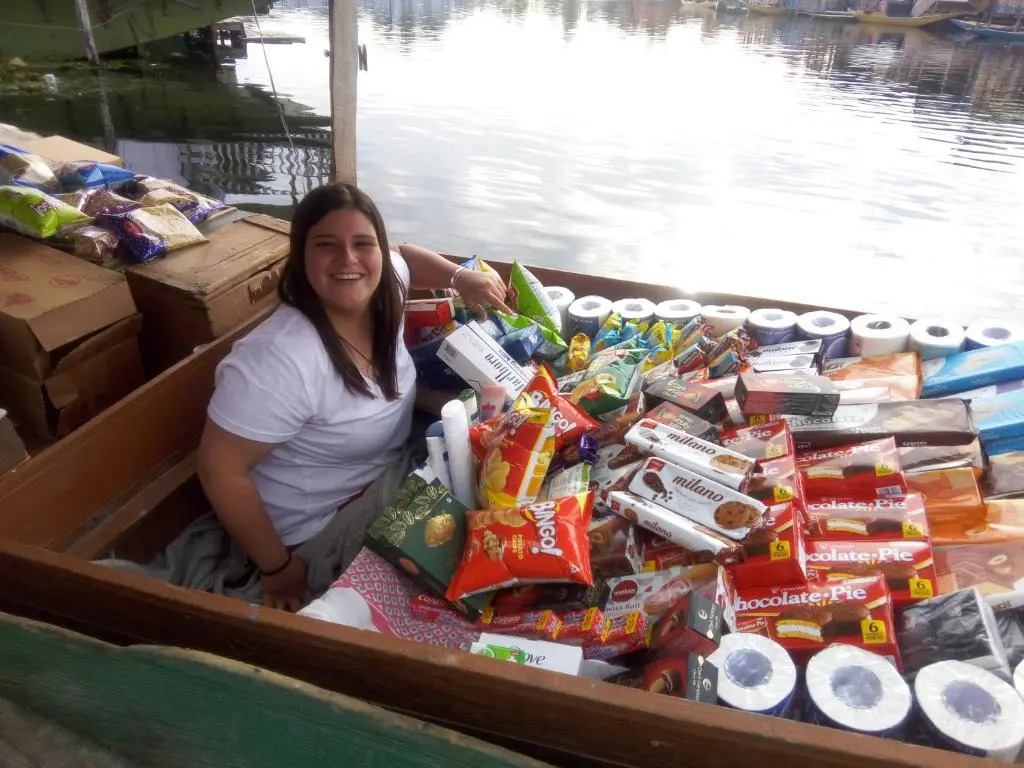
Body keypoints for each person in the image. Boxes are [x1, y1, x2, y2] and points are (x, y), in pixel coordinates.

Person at [196, 183, 509, 612]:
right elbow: (219, 470)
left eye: (363, 244)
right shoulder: (278, 360)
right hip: (325, 522)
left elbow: (405, 255)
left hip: (390, 466)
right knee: (481, 569)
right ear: (301, 257)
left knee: (509, 480)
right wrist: (278, 569)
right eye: (326, 245)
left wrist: (461, 278)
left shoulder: (385, 287)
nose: (349, 260)